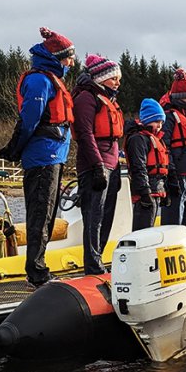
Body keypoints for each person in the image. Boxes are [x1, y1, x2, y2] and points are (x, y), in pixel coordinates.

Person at [15, 27, 76, 288]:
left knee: (48, 214)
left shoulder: (51, 78)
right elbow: (30, 119)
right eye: (68, 58)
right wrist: (16, 146)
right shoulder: (40, 80)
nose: (72, 63)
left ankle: (39, 267)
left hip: (53, 154)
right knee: (40, 213)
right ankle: (36, 272)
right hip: (42, 156)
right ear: (56, 57)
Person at [72, 54, 123, 274]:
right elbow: (85, 133)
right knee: (94, 215)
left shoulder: (109, 100)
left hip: (112, 162)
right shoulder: (86, 98)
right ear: (101, 79)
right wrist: (97, 165)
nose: (117, 83)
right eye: (113, 78)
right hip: (94, 164)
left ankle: (99, 257)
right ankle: (92, 264)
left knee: (107, 214)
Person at [159, 68, 186, 229]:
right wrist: (170, 172)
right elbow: (164, 146)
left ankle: (185, 235)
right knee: (175, 207)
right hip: (177, 170)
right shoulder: (170, 116)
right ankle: (171, 240)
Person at [124, 99, 169, 231]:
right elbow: (139, 167)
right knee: (143, 229)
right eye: (157, 122)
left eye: (161, 122)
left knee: (150, 228)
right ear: (147, 120)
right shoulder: (138, 139)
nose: (159, 126)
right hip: (145, 192)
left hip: (155, 190)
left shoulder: (155, 139)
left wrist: (164, 190)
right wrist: (145, 192)